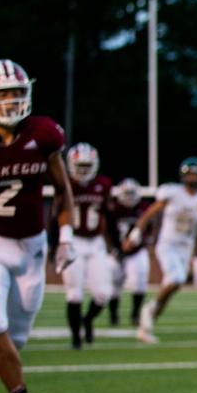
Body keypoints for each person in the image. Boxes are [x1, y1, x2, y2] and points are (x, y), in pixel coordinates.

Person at [0, 59, 75, 393]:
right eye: (4, 94)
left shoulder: (43, 133)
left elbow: (62, 190)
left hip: (31, 246)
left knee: (17, 335)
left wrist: (67, 236)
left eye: (17, 92)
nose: (12, 101)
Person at [124, 157, 197, 343]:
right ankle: (148, 310)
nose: (193, 178)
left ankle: (146, 325)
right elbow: (151, 212)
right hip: (168, 244)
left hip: (186, 248)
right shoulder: (173, 193)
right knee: (176, 279)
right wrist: (135, 234)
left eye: (196, 174)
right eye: (190, 174)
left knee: (173, 286)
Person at [61, 142, 114, 348]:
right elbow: (56, 213)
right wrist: (54, 243)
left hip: (96, 242)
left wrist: (115, 243)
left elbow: (109, 215)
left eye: (86, 165)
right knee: (74, 293)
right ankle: (76, 338)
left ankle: (88, 320)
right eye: (79, 165)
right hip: (73, 241)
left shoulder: (103, 184)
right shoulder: (65, 183)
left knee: (103, 294)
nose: (83, 170)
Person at [112, 177, 152, 325]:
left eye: (131, 193)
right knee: (114, 284)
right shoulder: (114, 208)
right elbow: (107, 229)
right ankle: (113, 314)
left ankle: (135, 314)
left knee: (140, 282)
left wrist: (147, 241)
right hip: (116, 251)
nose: (129, 197)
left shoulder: (143, 207)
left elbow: (150, 226)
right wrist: (113, 248)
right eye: (126, 193)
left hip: (137, 250)